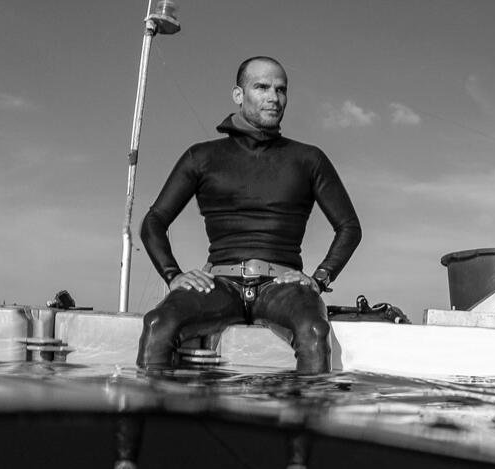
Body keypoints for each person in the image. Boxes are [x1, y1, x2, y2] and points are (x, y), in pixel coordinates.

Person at [137, 56, 362, 375]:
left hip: (282, 288)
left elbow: (349, 227)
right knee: (157, 324)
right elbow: (154, 222)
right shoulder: (202, 157)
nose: (274, 97)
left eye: (281, 90)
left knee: (314, 331)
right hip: (218, 285)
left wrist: (319, 278)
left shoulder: (309, 159)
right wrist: (173, 275)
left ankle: (307, 408)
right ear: (238, 95)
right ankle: (150, 406)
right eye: (262, 87)